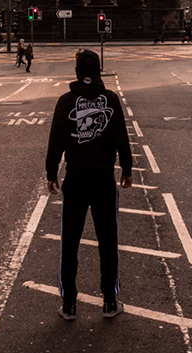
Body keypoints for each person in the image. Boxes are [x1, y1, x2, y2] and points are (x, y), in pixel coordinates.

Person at [46, 50, 133, 321]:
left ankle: (69, 304)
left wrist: (51, 172)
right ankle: (109, 301)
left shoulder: (66, 102)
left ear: (76, 72)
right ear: (99, 71)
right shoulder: (111, 100)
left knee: (70, 242)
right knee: (108, 240)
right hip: (104, 179)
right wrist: (127, 169)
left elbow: (56, 140)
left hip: (76, 179)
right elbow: (121, 136)